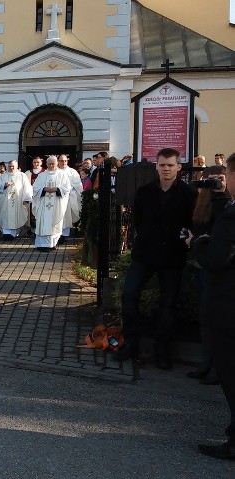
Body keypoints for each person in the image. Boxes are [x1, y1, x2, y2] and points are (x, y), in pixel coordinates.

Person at [112, 148, 197, 369]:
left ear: (179, 167)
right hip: (145, 254)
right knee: (129, 295)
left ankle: (162, 351)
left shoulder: (188, 194)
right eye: (162, 165)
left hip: (172, 256)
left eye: (170, 165)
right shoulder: (145, 192)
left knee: (168, 304)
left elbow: (192, 223)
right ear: (156, 167)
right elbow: (138, 221)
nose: (166, 169)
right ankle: (131, 344)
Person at [191, 152, 235, 460]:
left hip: (228, 305)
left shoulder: (232, 216)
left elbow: (217, 259)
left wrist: (199, 244)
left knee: (232, 375)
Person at [185, 165, 230, 385]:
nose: (215, 185)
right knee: (206, 316)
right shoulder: (201, 203)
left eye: (219, 179)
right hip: (203, 265)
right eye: (211, 180)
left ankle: (218, 369)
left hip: (222, 268)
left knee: (221, 321)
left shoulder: (228, 205)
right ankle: (206, 363)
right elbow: (197, 227)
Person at [31, 156, 70, 251]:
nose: (51, 165)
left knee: (54, 223)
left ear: (57, 164)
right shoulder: (42, 175)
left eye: (53, 163)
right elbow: (35, 188)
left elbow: (67, 188)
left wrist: (57, 189)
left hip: (56, 203)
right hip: (43, 204)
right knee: (43, 223)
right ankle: (41, 244)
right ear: (46, 164)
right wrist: (44, 189)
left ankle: (52, 244)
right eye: (50, 163)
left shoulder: (62, 175)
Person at [0, 160, 32, 239]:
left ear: (17, 167)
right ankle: (6, 233)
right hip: (5, 201)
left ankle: (14, 233)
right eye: (10, 166)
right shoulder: (3, 176)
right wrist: (4, 185)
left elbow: (27, 187)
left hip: (18, 200)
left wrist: (27, 198)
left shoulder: (22, 175)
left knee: (16, 216)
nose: (11, 168)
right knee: (5, 216)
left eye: (13, 166)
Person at [57, 154, 83, 242]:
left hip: (68, 197)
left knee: (66, 216)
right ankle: (57, 234)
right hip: (56, 197)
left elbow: (78, 185)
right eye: (61, 161)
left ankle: (64, 235)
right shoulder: (55, 171)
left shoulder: (72, 172)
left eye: (65, 161)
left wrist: (69, 190)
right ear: (58, 162)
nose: (63, 162)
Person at [24, 156, 44, 235]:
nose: (36, 164)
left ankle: (40, 229)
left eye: (38, 162)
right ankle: (32, 229)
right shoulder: (28, 173)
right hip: (31, 196)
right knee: (31, 214)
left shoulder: (45, 173)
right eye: (34, 162)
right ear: (32, 163)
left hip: (41, 197)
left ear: (41, 163)